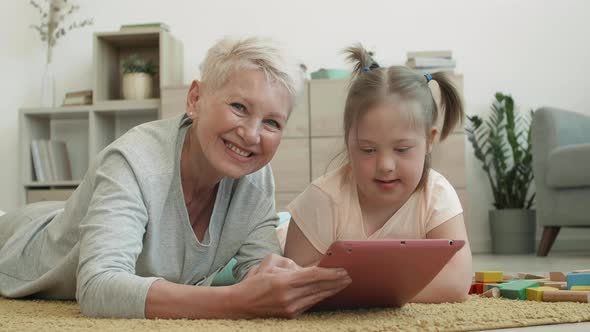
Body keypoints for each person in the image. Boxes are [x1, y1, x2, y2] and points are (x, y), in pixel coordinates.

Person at [0, 36, 351, 319]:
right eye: (239, 107)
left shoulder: (255, 180)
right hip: (16, 243)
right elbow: (97, 287)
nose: (251, 134)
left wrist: (282, 280)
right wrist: (233, 302)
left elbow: (257, 267)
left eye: (272, 122)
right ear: (195, 98)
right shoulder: (134, 161)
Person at [282, 44, 472, 303]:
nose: (385, 165)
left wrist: (366, 293)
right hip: (286, 233)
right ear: (349, 142)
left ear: (430, 140)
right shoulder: (322, 199)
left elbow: (456, 282)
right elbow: (294, 284)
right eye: (368, 149)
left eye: (402, 149)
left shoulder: (436, 195)